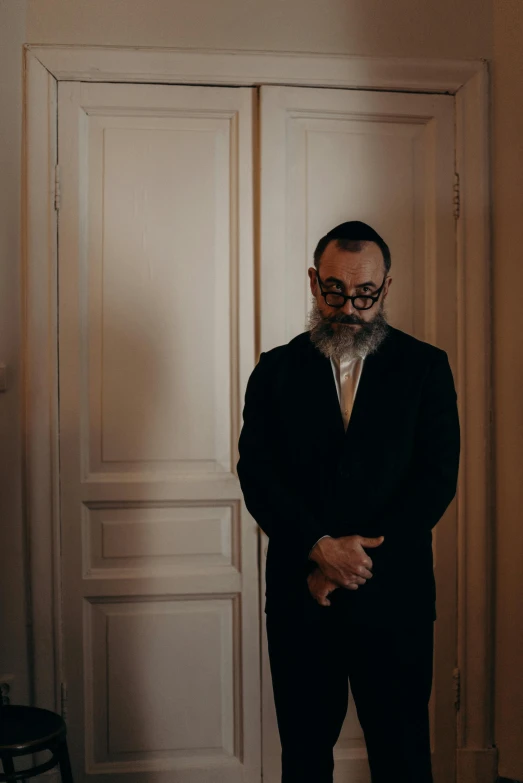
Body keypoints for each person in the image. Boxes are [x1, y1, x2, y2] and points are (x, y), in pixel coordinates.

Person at [237, 221, 460, 783]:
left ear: (386, 290)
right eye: (335, 291)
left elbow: (435, 481)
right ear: (315, 283)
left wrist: (345, 566)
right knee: (305, 756)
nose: (350, 308)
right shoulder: (274, 369)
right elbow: (258, 475)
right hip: (300, 598)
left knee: (403, 755)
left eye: (365, 295)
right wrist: (317, 547)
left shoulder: (426, 368)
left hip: (396, 599)